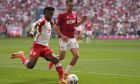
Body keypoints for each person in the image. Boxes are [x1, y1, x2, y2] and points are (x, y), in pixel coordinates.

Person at [10, 7, 67, 84]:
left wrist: (62, 34)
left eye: (52, 14)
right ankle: (21, 55)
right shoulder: (42, 20)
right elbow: (35, 25)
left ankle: (61, 79)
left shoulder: (51, 21)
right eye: (50, 13)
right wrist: (32, 31)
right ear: (45, 13)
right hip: (37, 46)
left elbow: (56, 27)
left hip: (45, 47)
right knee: (30, 66)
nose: (51, 15)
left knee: (56, 60)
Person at [48, 0, 87, 77]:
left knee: (76, 56)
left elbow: (75, 25)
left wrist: (82, 21)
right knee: (62, 57)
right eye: (69, 5)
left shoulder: (75, 14)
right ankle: (53, 60)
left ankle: (66, 73)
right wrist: (62, 36)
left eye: (72, 5)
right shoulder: (62, 15)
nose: (71, 7)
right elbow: (56, 26)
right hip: (63, 39)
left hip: (72, 38)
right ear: (66, 5)